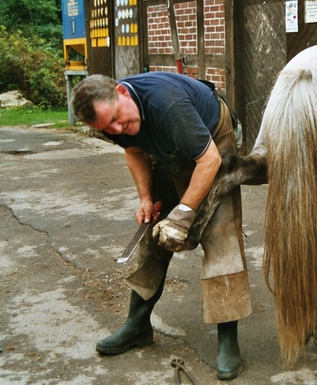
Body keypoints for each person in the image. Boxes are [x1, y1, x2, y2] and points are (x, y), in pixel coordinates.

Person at [70, 72, 251, 380]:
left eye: (117, 120)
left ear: (122, 93)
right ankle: (137, 324)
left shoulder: (168, 104)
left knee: (220, 236)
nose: (116, 130)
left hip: (211, 145)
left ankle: (227, 340)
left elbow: (208, 162)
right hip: (169, 149)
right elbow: (134, 150)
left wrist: (183, 213)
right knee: (153, 234)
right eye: (107, 129)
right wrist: (145, 198)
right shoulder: (112, 118)